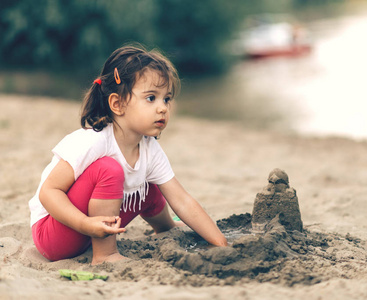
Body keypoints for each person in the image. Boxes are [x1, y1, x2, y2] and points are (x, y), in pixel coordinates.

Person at [28, 44, 228, 265]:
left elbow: (182, 200)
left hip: (94, 228)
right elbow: (49, 192)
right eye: (151, 98)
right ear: (117, 103)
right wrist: (85, 223)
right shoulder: (94, 141)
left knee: (149, 181)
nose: (162, 108)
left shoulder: (149, 148)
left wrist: (221, 242)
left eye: (167, 99)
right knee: (110, 169)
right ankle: (105, 255)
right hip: (56, 233)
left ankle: (165, 227)